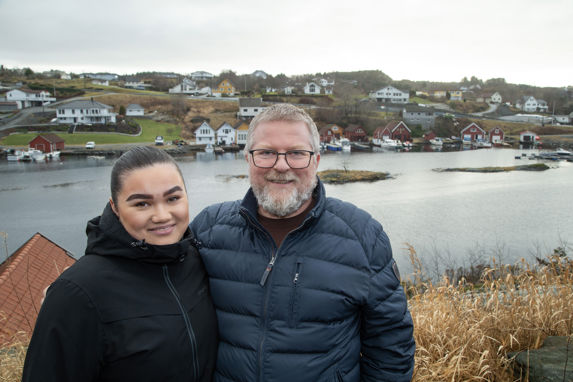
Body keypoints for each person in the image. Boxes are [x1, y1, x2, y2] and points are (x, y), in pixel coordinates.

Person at [191, 103, 416, 381]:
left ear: (316, 161)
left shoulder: (362, 235)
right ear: (248, 159)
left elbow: (391, 344)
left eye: (297, 153)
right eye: (266, 153)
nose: (281, 165)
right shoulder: (208, 230)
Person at [22, 146, 217, 382]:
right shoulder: (78, 292)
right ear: (114, 207)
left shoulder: (195, 260)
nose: (162, 215)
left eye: (173, 198)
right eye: (141, 204)